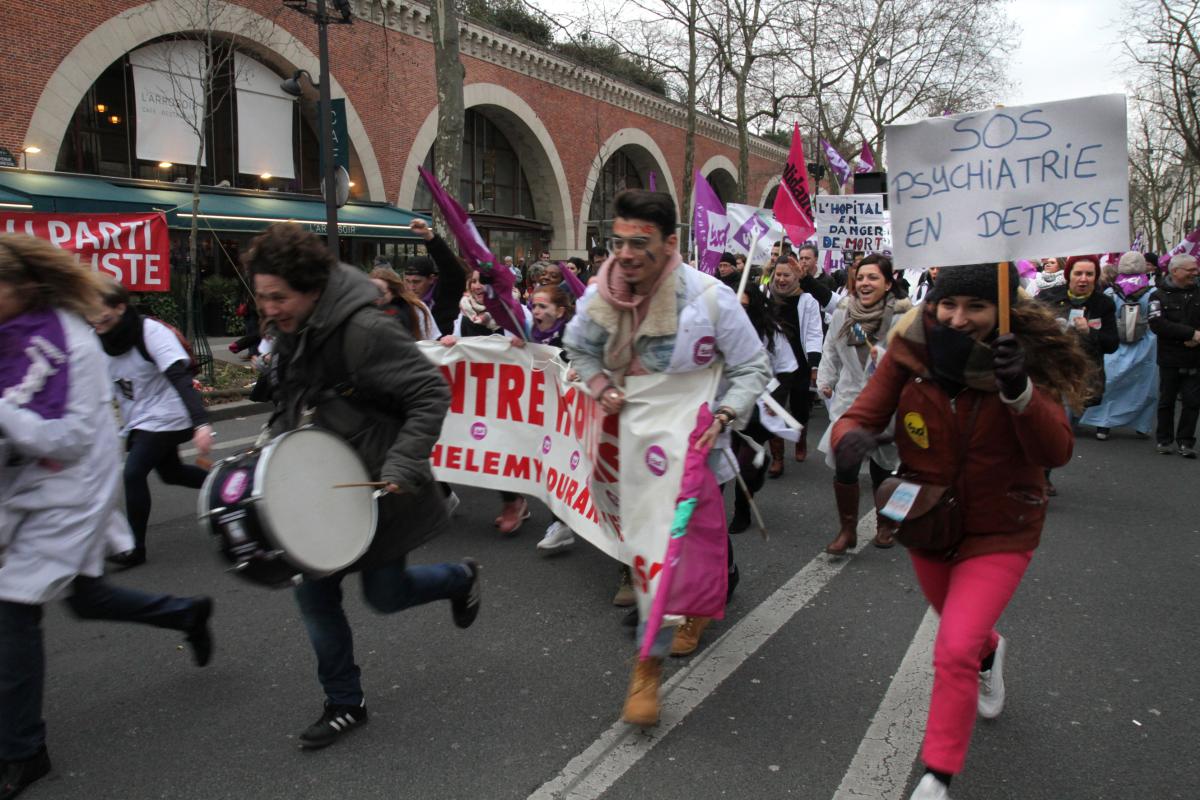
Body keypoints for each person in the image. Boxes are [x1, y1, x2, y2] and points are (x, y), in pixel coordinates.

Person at [831, 262, 1094, 800]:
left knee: (952, 649)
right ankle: (990, 650)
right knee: (962, 629)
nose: (958, 317)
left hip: (1003, 526)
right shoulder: (910, 352)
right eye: (948, 305)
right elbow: (857, 417)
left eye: (975, 306)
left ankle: (937, 776)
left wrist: (1019, 391)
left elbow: (1057, 452)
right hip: (929, 520)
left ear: (1002, 310)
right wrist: (850, 439)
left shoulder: (1023, 358)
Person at [246, 223, 481, 749]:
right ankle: (344, 703)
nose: (269, 308)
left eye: (278, 297)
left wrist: (400, 466)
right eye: (262, 297)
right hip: (314, 486)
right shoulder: (295, 324)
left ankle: (460, 578)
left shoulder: (365, 330)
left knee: (386, 596)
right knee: (315, 598)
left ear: (310, 289)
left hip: (373, 485)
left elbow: (428, 393)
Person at [0, 235, 214, 799]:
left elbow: (69, 435)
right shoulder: (20, 334)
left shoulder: (71, 338)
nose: (106, 316)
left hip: (70, 485)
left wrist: (200, 423)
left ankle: (23, 749)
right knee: (86, 596)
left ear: (21, 287)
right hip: (38, 477)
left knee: (13, 607)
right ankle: (187, 613)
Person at [563, 190, 771, 726]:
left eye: (640, 242)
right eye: (618, 242)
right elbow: (580, 351)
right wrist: (600, 384)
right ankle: (693, 602)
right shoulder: (598, 297)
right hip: (624, 448)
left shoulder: (711, 299)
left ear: (670, 242)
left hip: (692, 447)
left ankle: (646, 673)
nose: (626, 254)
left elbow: (753, 367)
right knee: (649, 549)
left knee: (673, 546)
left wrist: (725, 416)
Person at [90, 279, 212, 568]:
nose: (94, 319)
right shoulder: (94, 336)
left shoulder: (150, 332)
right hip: (140, 417)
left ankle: (135, 548)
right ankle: (231, 485)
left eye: (100, 312)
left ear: (120, 306)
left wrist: (201, 423)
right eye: (88, 313)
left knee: (133, 473)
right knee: (172, 474)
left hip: (169, 413)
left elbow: (181, 379)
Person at [816, 255, 911, 553]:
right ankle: (848, 530)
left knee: (889, 469)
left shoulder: (903, 318)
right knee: (846, 459)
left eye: (872, 278)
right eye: (860, 278)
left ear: (887, 283)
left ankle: (888, 524)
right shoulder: (845, 313)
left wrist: (886, 361)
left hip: (891, 400)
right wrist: (825, 379)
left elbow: (917, 360)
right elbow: (831, 348)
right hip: (851, 399)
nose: (865, 283)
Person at [1080, 251, 1159, 440]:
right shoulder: (1151, 291)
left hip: (1116, 341)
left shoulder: (1111, 291)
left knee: (1110, 382)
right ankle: (1141, 424)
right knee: (1143, 385)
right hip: (1144, 343)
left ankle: (1102, 423)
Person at [766, 254, 825, 470]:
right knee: (774, 407)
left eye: (786, 275)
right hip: (775, 366)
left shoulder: (807, 300)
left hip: (799, 363)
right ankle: (777, 457)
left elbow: (813, 333)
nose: (781, 279)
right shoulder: (766, 297)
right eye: (778, 274)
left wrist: (814, 364)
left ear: (795, 277)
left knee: (800, 408)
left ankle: (800, 438)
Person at [1148, 253, 1200, 457]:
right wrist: (1190, 334)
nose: (1195, 273)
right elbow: (1157, 324)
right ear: (1175, 271)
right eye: (1191, 270)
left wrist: (1197, 338)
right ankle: (1164, 439)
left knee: (1192, 402)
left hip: (1196, 357)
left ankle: (1186, 442)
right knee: (1167, 400)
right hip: (1170, 357)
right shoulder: (1158, 295)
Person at [404, 219, 469, 337]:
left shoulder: (445, 294)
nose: (411, 287)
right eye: (407, 281)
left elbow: (450, 267)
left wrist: (429, 236)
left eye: (417, 282)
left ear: (431, 279)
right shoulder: (402, 302)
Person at [369, 266, 436, 340]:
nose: (375, 297)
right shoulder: (364, 309)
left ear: (393, 292)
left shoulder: (415, 308)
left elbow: (431, 341)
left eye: (380, 292)